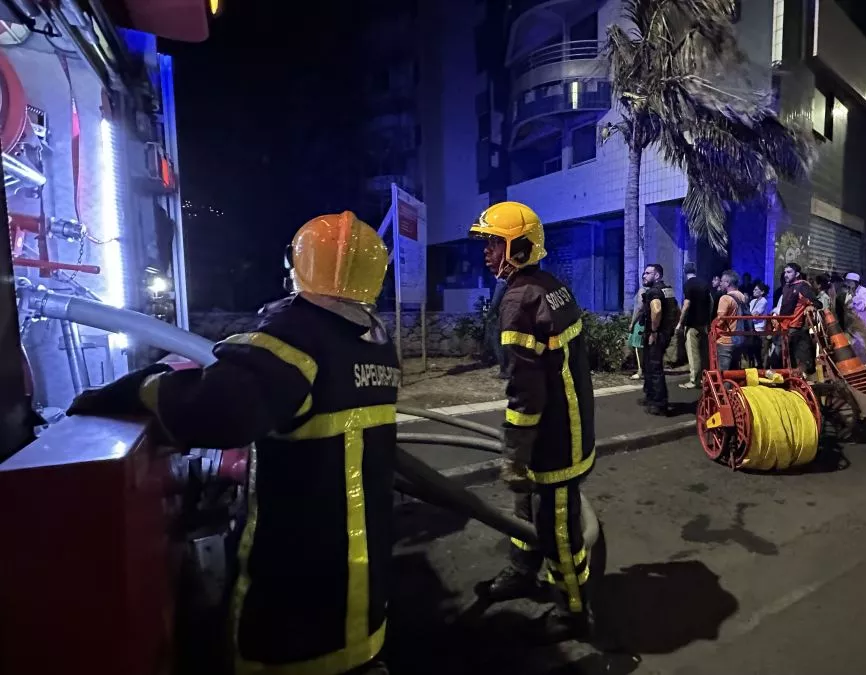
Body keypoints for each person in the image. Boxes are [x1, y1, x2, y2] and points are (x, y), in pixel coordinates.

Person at [68, 211, 397, 675]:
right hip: (363, 592)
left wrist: (140, 389)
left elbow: (218, 412)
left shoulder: (296, 338)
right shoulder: (376, 345)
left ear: (298, 267)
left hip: (300, 604)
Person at [471, 201, 596, 638]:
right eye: (487, 244)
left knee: (558, 532)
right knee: (527, 510)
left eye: (494, 244)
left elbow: (526, 392)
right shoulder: (550, 286)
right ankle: (523, 569)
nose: (487, 253)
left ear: (519, 248)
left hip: (555, 441)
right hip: (568, 427)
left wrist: (514, 454)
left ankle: (573, 610)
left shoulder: (520, 300)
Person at [639, 263, 680, 415]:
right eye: (644, 273)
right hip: (665, 333)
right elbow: (677, 310)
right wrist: (672, 328)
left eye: (648, 273)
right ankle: (651, 396)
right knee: (650, 365)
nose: (644, 276)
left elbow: (656, 310)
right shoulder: (667, 290)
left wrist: (654, 331)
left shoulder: (653, 292)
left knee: (653, 367)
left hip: (655, 334)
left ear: (657, 275)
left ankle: (658, 403)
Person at [777, 263, 821, 373]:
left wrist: (810, 306)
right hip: (784, 326)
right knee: (784, 358)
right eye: (785, 272)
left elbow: (817, 303)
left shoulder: (802, 286)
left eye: (789, 272)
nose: (786, 275)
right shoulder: (786, 287)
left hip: (796, 327)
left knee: (800, 358)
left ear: (797, 274)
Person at [676, 262, 711, 389]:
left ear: (684, 271)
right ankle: (705, 378)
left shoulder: (688, 285)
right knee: (704, 353)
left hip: (692, 324)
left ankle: (694, 380)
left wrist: (680, 323)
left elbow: (686, 304)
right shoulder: (704, 283)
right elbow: (710, 302)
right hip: (704, 323)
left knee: (693, 353)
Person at [714, 270, 750, 371]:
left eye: (722, 281)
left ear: (728, 283)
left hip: (726, 340)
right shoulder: (742, 296)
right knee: (735, 371)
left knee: (723, 373)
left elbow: (720, 320)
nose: (720, 283)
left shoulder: (725, 298)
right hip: (739, 339)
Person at [843, 272, 866, 373]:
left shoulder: (864, 291)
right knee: (852, 347)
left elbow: (860, 306)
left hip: (863, 325)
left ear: (855, 282)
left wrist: (851, 302)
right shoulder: (850, 291)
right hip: (851, 325)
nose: (847, 283)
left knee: (865, 348)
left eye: (849, 281)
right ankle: (859, 369)